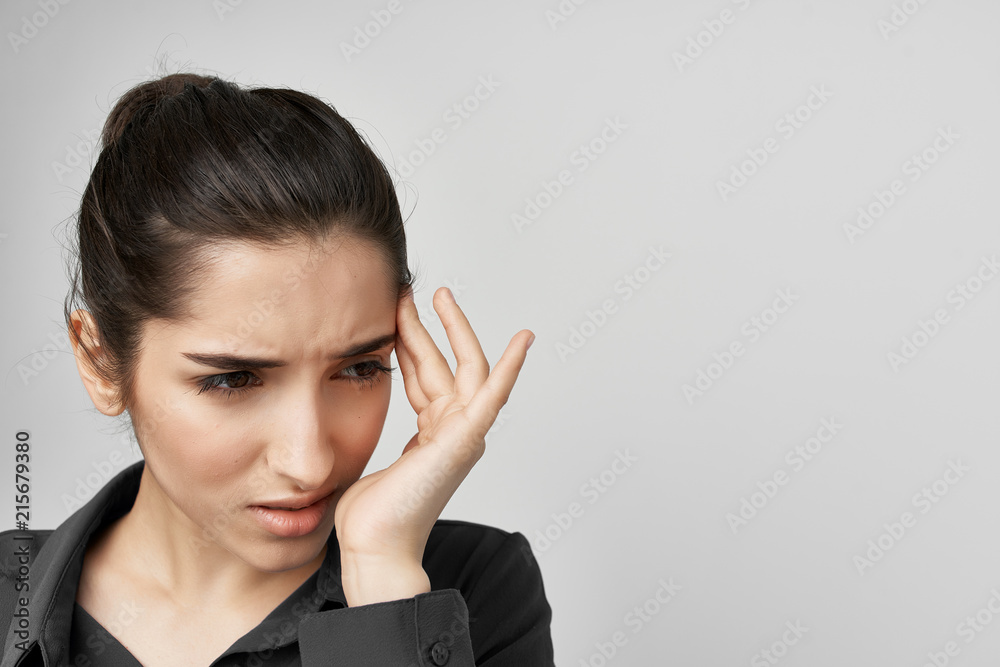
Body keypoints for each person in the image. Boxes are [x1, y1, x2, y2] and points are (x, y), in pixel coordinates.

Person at [0, 72, 554, 666]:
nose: (310, 464)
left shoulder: (473, 589)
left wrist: (384, 587)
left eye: (360, 368)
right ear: (101, 361)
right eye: (233, 379)